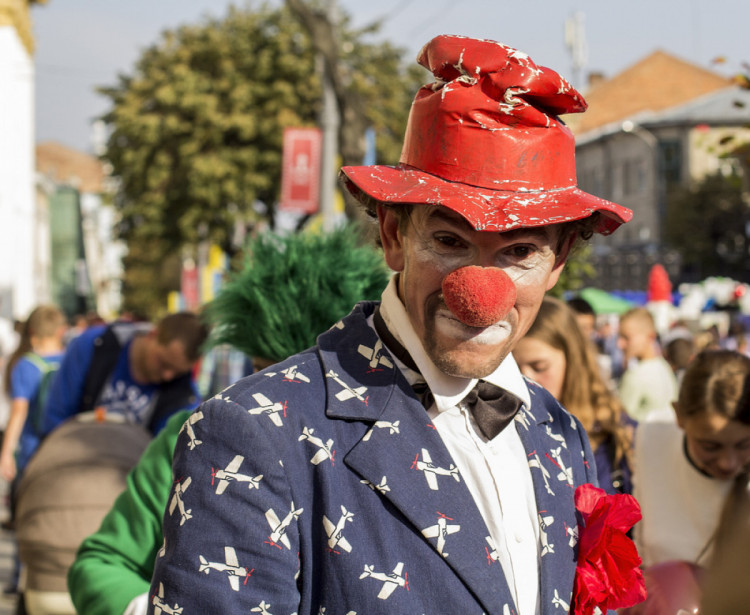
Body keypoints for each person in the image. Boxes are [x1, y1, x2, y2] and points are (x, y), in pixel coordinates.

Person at [149, 35, 635, 614]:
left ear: (556, 263)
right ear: (392, 236)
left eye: (520, 251)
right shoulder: (254, 434)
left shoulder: (557, 433)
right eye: (450, 241)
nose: (481, 294)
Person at [68, 226, 391, 615]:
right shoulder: (200, 434)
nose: (271, 397)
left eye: (307, 380)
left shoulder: (397, 446)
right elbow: (102, 563)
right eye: (260, 371)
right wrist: (144, 606)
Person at [633, 349, 750, 569]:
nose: (728, 462)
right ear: (679, 416)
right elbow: (641, 546)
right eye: (710, 446)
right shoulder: (653, 436)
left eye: (744, 445)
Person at [514, 296, 636, 495]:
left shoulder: (614, 431)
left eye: (539, 367)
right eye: (514, 368)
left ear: (572, 360)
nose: (525, 379)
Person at [41, 311, 208, 437]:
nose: (167, 376)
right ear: (153, 335)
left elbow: (168, 448)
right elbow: (56, 415)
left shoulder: (185, 395)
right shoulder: (94, 345)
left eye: (177, 372)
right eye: (163, 363)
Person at [0, 305, 66, 597]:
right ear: (60, 330)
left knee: (26, 514)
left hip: (31, 451)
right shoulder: (69, 361)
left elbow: (19, 411)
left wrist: (5, 452)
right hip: (64, 449)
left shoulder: (26, 365)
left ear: (32, 331)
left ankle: (20, 576)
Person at [617, 307, 678, 422]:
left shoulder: (636, 375)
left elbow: (619, 421)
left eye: (626, 337)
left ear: (650, 336)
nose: (620, 344)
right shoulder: (664, 366)